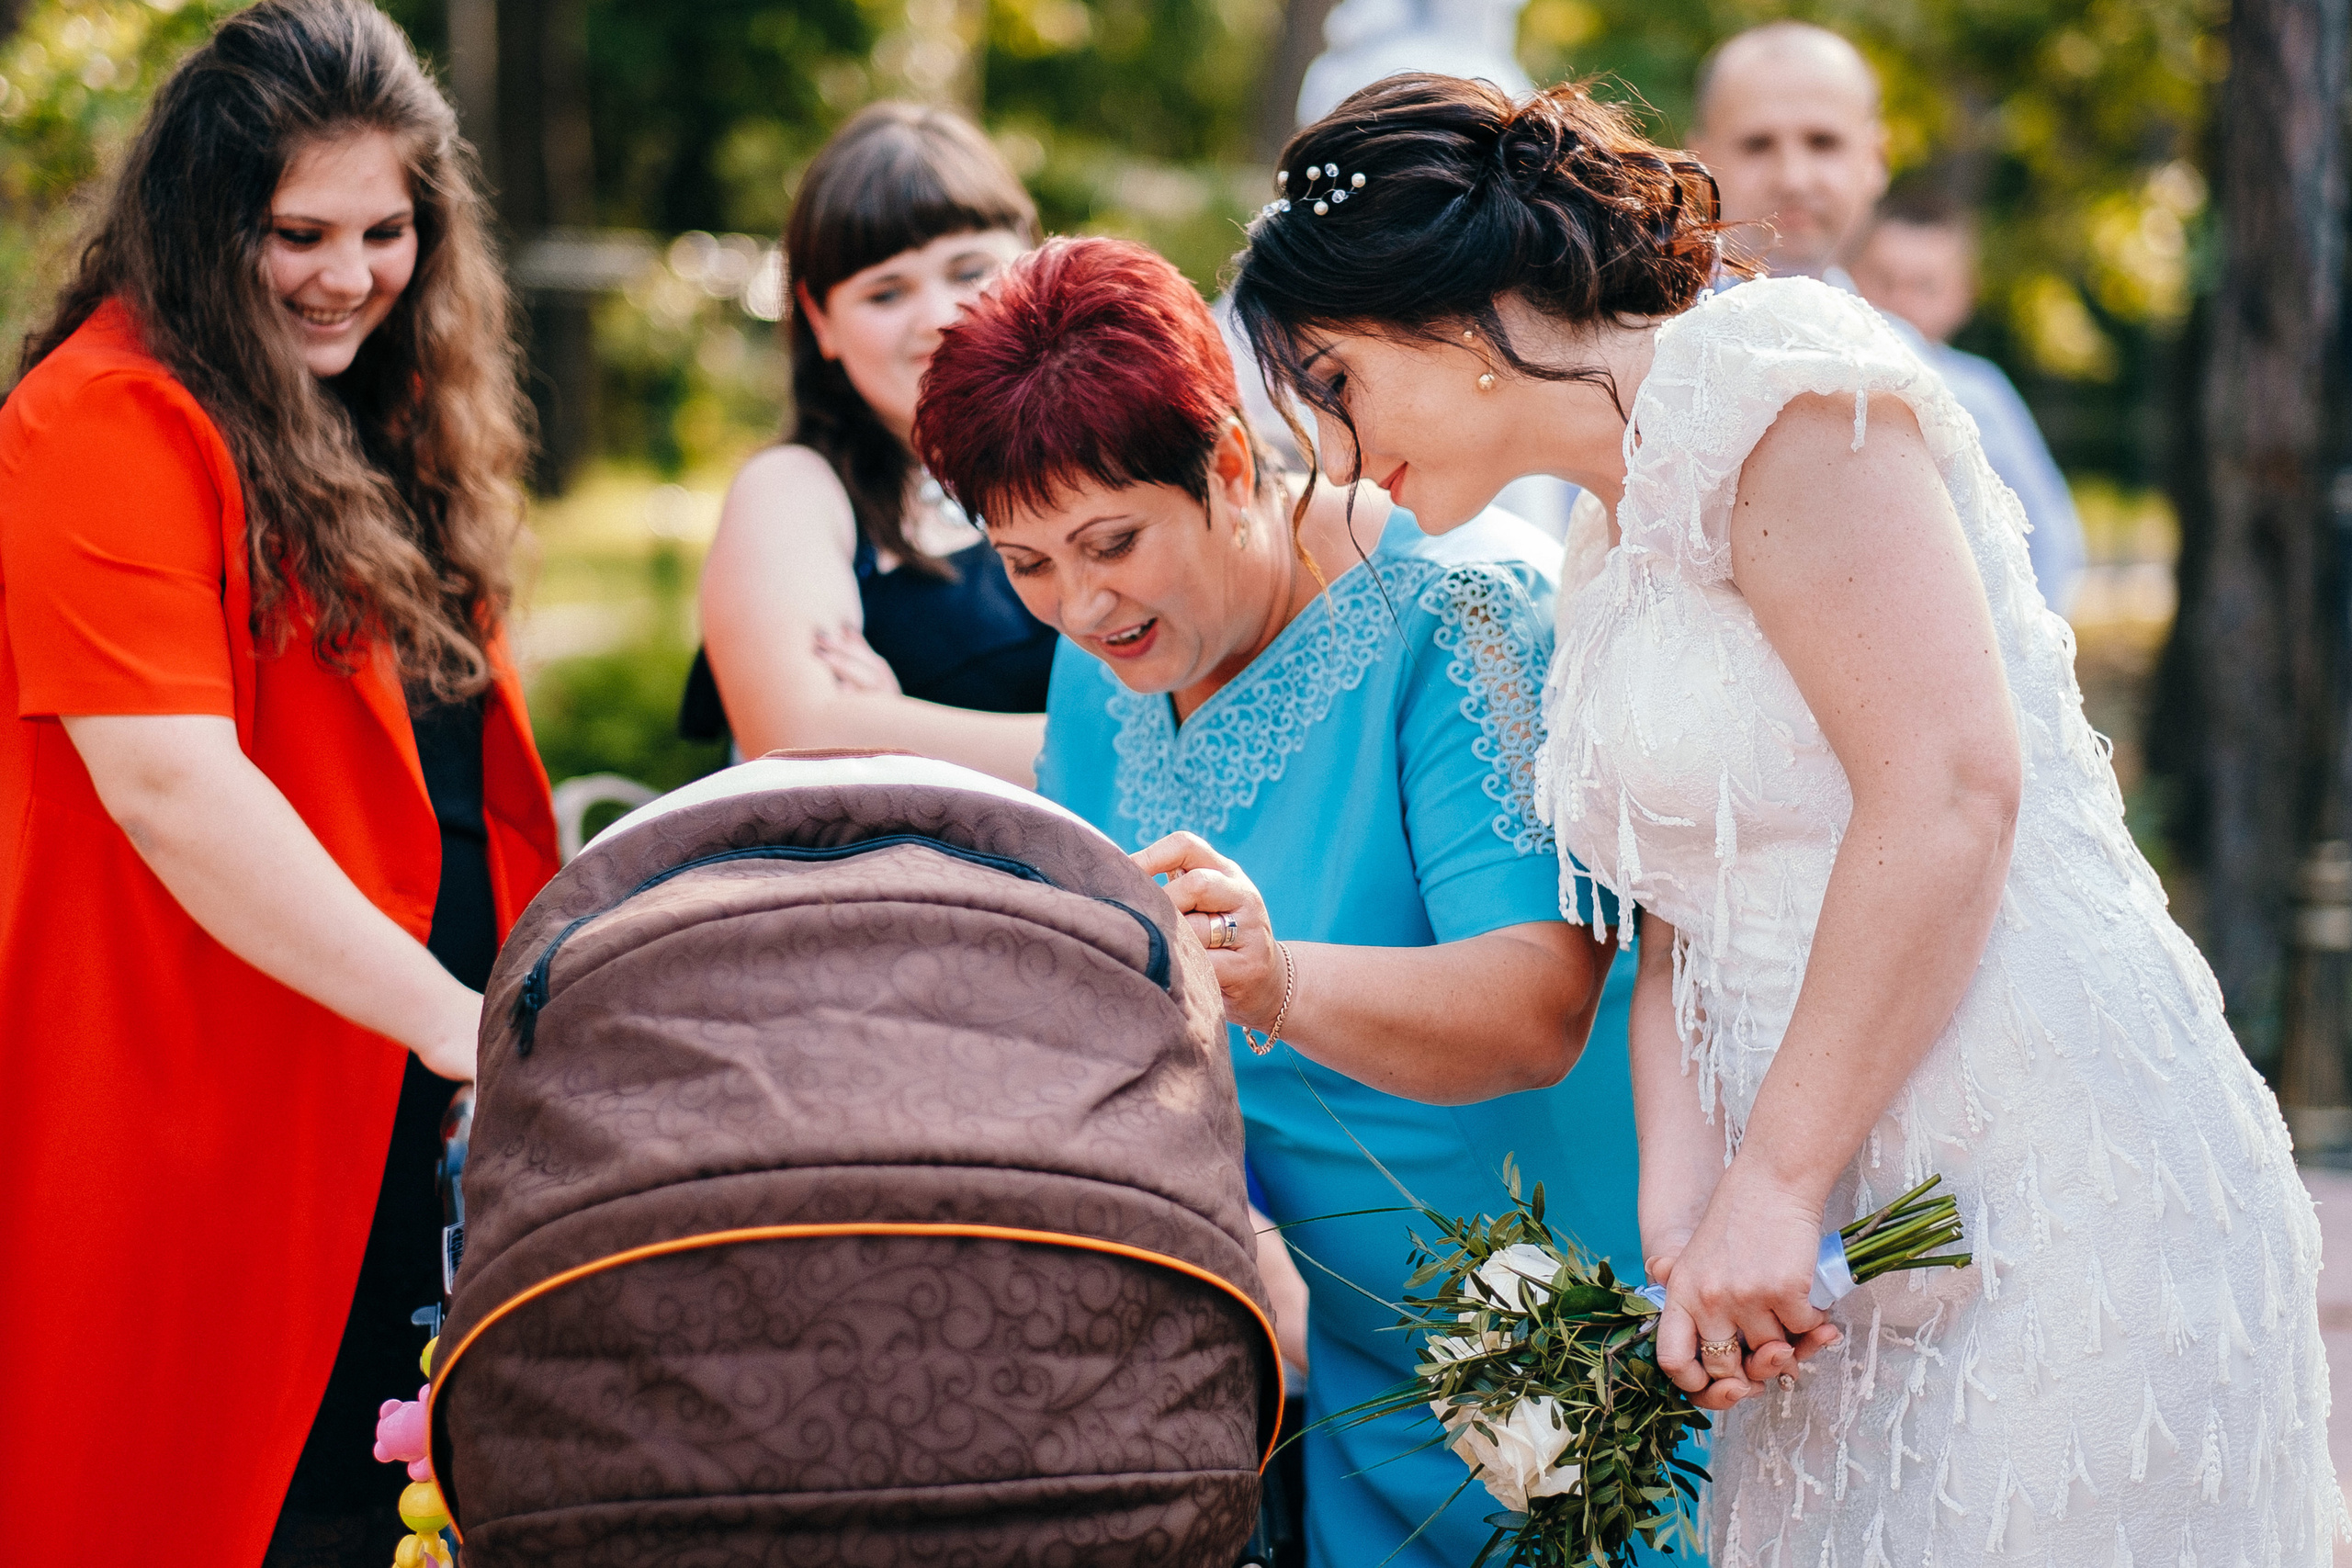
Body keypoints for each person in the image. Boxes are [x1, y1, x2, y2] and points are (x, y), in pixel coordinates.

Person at [1229, 73, 2343, 1562]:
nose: (1336, 452)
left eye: (1335, 384)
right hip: (1827, 1254)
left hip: (2036, 1169)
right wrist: (1691, 1232)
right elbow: (1678, 919)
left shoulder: (1771, 385)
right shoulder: (1609, 540)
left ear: (1447, 312)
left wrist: (1778, 1181)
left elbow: (1949, 791)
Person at [915, 234, 1650, 1567]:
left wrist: (1276, 976)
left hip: (1581, 1338)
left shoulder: (1465, 620)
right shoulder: (1106, 667)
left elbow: (1542, 1002)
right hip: (1348, 1354)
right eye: (1026, 563)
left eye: (1111, 541)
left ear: (1233, 463)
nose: (1081, 602)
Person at [0, 4, 560, 1565]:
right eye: (294, 230)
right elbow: (175, 788)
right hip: (214, 1110)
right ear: (196, 221)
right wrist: (450, 1017)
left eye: (388, 229)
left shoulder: (378, 405)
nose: (349, 273)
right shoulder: (104, 421)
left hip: (405, 1106)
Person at [686, 103, 1055, 785]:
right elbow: (798, 737)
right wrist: (1113, 751)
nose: (939, 319)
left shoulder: (1101, 460)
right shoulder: (793, 488)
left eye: (970, 271)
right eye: (886, 293)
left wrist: (891, 730)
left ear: (1032, 262)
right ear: (820, 320)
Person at [1691, 20, 2086, 613]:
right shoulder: (1633, 353)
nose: (1794, 178)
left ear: (1876, 158)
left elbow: (2041, 579)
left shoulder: (1952, 387)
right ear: (1701, 159)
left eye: (1823, 142)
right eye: (1757, 144)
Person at [1850, 188, 2087, 613]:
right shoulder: (1822, 385)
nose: (1901, 304)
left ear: (1963, 296)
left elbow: (2053, 534)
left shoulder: (1982, 392)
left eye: (1925, 287)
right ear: (1850, 276)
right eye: (1883, 281)